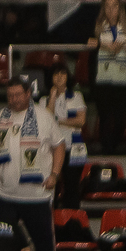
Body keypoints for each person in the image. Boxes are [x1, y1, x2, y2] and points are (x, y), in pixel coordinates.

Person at [0, 78, 63, 251]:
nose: (14, 99)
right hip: (5, 194)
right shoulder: (0, 116)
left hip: (36, 195)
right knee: (4, 238)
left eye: (18, 94)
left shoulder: (44, 116)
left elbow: (59, 146)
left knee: (43, 239)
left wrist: (55, 174)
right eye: (10, 95)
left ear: (28, 93)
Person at [88, 0, 126, 155]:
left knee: (121, 120)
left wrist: (125, 45)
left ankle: (112, 148)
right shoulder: (97, 27)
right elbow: (88, 43)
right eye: (107, 6)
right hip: (103, 80)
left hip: (122, 80)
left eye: (114, 5)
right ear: (103, 9)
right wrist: (103, 45)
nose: (110, 9)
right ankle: (107, 152)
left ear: (119, 8)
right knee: (105, 118)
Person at [40, 68, 87, 209]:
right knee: (51, 184)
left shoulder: (76, 96)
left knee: (72, 186)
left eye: (63, 74)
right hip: (52, 148)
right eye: (56, 74)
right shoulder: (43, 100)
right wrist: (53, 97)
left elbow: (81, 121)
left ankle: (72, 216)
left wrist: (58, 121)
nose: (59, 77)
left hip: (74, 147)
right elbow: (46, 120)